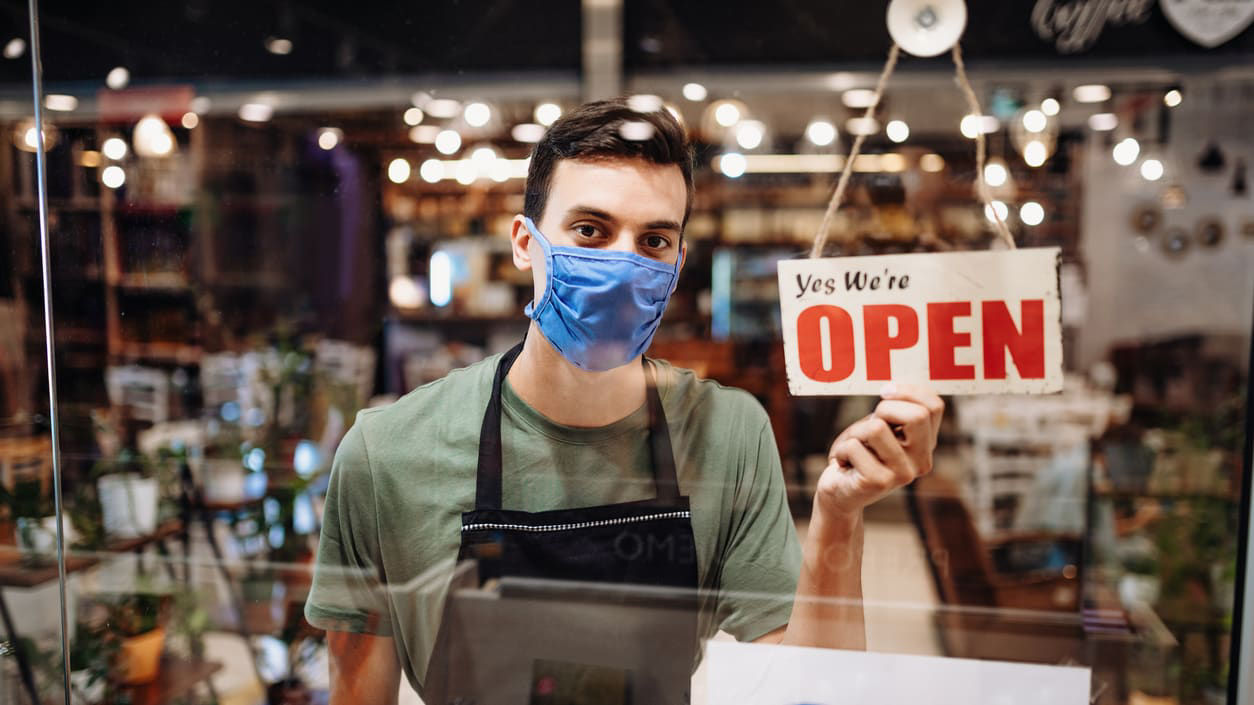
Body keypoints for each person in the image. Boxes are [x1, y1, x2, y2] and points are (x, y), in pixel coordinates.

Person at [304, 98, 944, 704]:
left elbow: (813, 692)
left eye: (653, 241)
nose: (622, 263)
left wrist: (839, 515)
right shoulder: (387, 452)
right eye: (590, 230)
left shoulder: (725, 433)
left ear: (678, 260)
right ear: (526, 242)